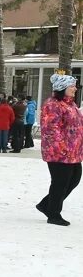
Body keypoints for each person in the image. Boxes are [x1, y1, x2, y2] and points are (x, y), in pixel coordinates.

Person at [35, 73, 82, 226]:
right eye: (72, 86)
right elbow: (51, 130)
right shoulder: (52, 105)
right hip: (59, 152)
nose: (75, 88)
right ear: (62, 88)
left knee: (74, 179)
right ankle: (54, 214)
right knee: (60, 182)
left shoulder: (71, 104)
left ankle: (45, 204)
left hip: (73, 151)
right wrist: (62, 148)